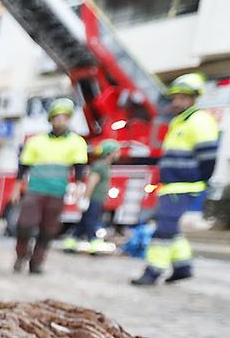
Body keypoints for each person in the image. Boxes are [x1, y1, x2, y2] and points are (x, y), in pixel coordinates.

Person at [133, 72, 220, 286]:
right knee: (171, 229)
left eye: (182, 97)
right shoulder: (179, 122)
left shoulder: (199, 121)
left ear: (193, 98)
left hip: (184, 186)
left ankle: (153, 271)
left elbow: (208, 157)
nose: (177, 101)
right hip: (173, 186)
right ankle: (183, 267)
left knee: (162, 231)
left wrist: (201, 182)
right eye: (175, 97)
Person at [13, 98, 88, 274]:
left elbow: (79, 167)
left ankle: (37, 263)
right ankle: (21, 256)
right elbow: (23, 166)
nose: (60, 120)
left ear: (69, 119)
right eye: (56, 116)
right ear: (50, 119)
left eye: (64, 117)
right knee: (24, 225)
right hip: (35, 190)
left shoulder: (77, 142)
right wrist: (16, 188)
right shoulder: (36, 141)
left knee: (48, 230)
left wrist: (78, 188)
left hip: (57, 192)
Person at [62, 139, 119, 253]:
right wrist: (86, 199)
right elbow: (92, 182)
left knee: (83, 224)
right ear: (109, 153)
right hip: (94, 199)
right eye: (116, 151)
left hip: (97, 199)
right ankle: (95, 244)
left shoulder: (104, 166)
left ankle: (71, 243)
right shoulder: (100, 166)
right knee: (92, 222)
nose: (118, 154)